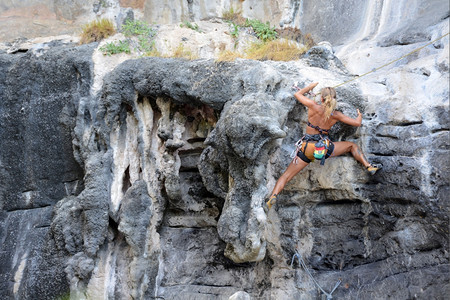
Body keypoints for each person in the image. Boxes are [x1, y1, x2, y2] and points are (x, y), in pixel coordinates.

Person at [265, 82, 380, 211]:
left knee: (286, 176)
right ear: (335, 99)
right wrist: (359, 115)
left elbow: (297, 94)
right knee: (351, 146)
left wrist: (311, 87)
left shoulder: (313, 106)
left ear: (321, 98)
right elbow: (357, 123)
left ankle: (273, 196)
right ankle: (369, 166)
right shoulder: (335, 115)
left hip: (306, 148)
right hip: (323, 149)